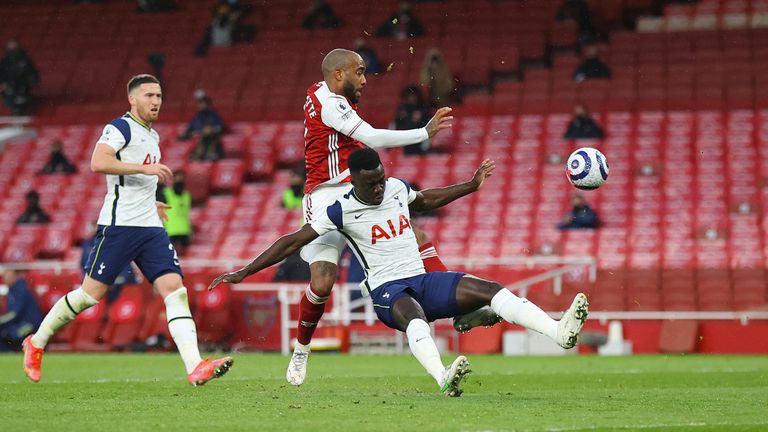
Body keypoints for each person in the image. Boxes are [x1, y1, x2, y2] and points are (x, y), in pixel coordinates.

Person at [209, 148, 589, 396]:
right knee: (416, 319)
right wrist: (244, 271)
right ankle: (444, 376)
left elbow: (424, 199)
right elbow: (292, 240)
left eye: (381, 179)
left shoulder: (394, 187)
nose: (379, 188)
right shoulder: (339, 210)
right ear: (353, 180)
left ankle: (559, 333)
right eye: (371, 183)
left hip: (422, 279)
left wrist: (471, 186)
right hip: (388, 292)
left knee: (490, 289)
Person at [289, 48, 494, 387]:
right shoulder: (330, 102)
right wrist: (423, 133)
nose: (365, 80)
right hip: (325, 195)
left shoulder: (320, 91)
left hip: (357, 189)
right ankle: (301, 349)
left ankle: (461, 312)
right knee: (323, 282)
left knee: (416, 235)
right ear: (339, 75)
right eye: (359, 72)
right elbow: (370, 137)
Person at [22, 74, 232, 386]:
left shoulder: (153, 136)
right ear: (132, 99)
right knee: (89, 296)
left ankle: (195, 366)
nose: (156, 101)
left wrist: (153, 201)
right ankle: (36, 342)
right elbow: (98, 161)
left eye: (159, 95)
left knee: (176, 291)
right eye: (149, 95)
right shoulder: (119, 127)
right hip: (119, 226)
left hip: (149, 227)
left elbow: (137, 181)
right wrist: (143, 168)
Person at [80, 222, 139, 304]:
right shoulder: (88, 243)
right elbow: (84, 265)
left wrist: (112, 281)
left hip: (120, 286)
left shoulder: (118, 243)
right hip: (98, 284)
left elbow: (126, 271)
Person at [0, 269, 42, 352]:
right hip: (21, 322)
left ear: (15, 276)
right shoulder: (13, 290)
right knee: (4, 332)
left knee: (11, 335)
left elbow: (14, 313)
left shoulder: (21, 290)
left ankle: (12, 355)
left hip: (31, 323)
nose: (5, 279)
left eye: (8, 276)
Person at [0, 39, 39, 115]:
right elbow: (2, 75)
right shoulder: (4, 62)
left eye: (14, 47)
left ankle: (21, 110)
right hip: (8, 88)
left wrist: (29, 82)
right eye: (10, 48)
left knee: (20, 96)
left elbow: (32, 74)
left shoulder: (25, 60)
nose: (12, 50)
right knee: (10, 94)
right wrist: (3, 84)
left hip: (22, 87)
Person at [161, 171, 193, 254]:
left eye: (181, 179)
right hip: (171, 231)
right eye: (177, 179)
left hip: (185, 231)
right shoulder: (166, 193)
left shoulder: (187, 195)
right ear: (173, 180)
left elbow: (187, 213)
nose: (179, 181)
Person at [394, 85, 430, 155]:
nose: (411, 98)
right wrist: (401, 118)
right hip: (406, 139)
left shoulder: (423, 108)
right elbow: (396, 124)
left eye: (413, 96)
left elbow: (427, 124)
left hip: (420, 138)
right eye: (409, 96)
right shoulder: (402, 108)